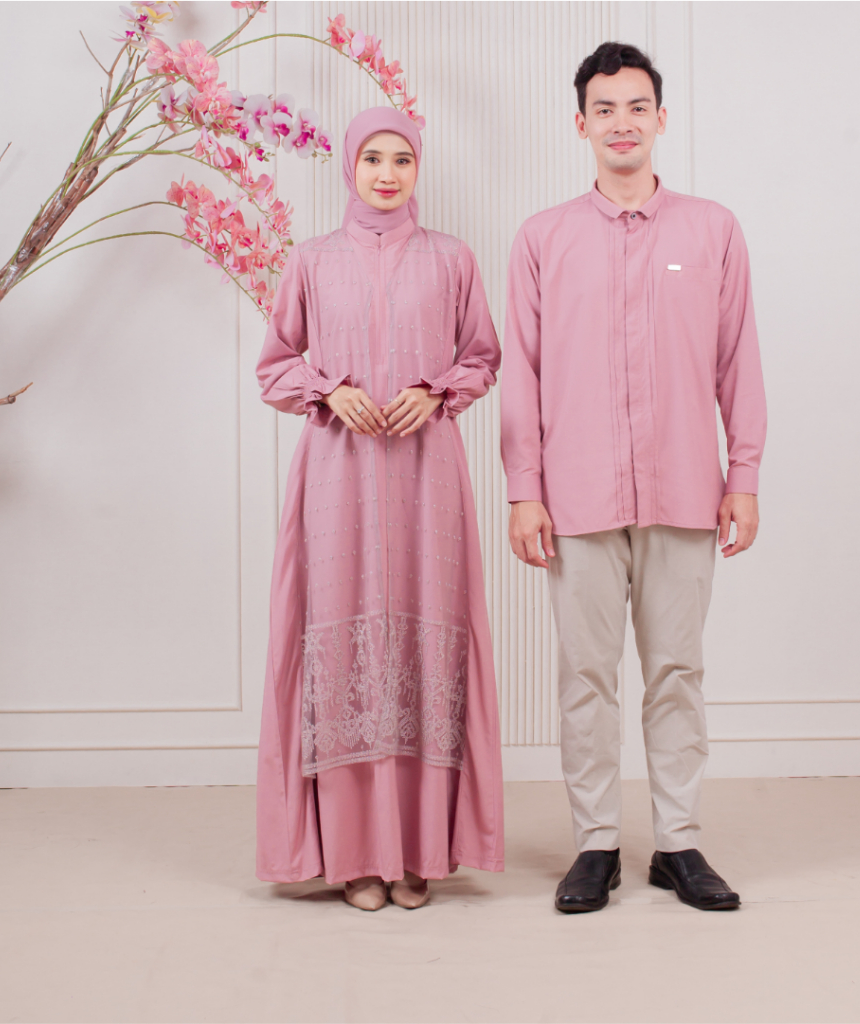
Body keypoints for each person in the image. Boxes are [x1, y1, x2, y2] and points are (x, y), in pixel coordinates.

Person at [501, 42, 767, 914]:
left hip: (685, 490)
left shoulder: (712, 230)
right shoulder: (542, 238)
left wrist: (743, 475)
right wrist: (525, 488)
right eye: (605, 109)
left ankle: (679, 843)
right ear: (580, 124)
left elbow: (738, 361)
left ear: (661, 118)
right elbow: (523, 374)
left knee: (677, 671)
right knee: (586, 676)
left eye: (637, 106)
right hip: (575, 498)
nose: (622, 122)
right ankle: (597, 845)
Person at [255, 107, 504, 911]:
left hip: (428, 474)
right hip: (339, 472)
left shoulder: (451, 259)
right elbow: (274, 366)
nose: (388, 173)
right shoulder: (311, 260)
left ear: (417, 168)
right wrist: (330, 390)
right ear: (349, 168)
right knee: (342, 642)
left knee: (426, 636)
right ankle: (357, 855)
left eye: (402, 159)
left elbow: (482, 357)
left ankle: (420, 850)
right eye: (372, 159)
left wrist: (437, 392)